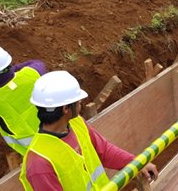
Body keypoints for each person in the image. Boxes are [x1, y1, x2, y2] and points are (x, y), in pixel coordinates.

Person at [20, 71, 158, 190]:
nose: (81, 103)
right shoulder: (39, 163)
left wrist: (137, 163)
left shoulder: (76, 123)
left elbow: (104, 151)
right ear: (66, 108)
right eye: (78, 101)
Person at [0, 43, 46, 155]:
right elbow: (37, 63)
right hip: (61, 135)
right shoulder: (32, 74)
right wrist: (8, 72)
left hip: (36, 153)